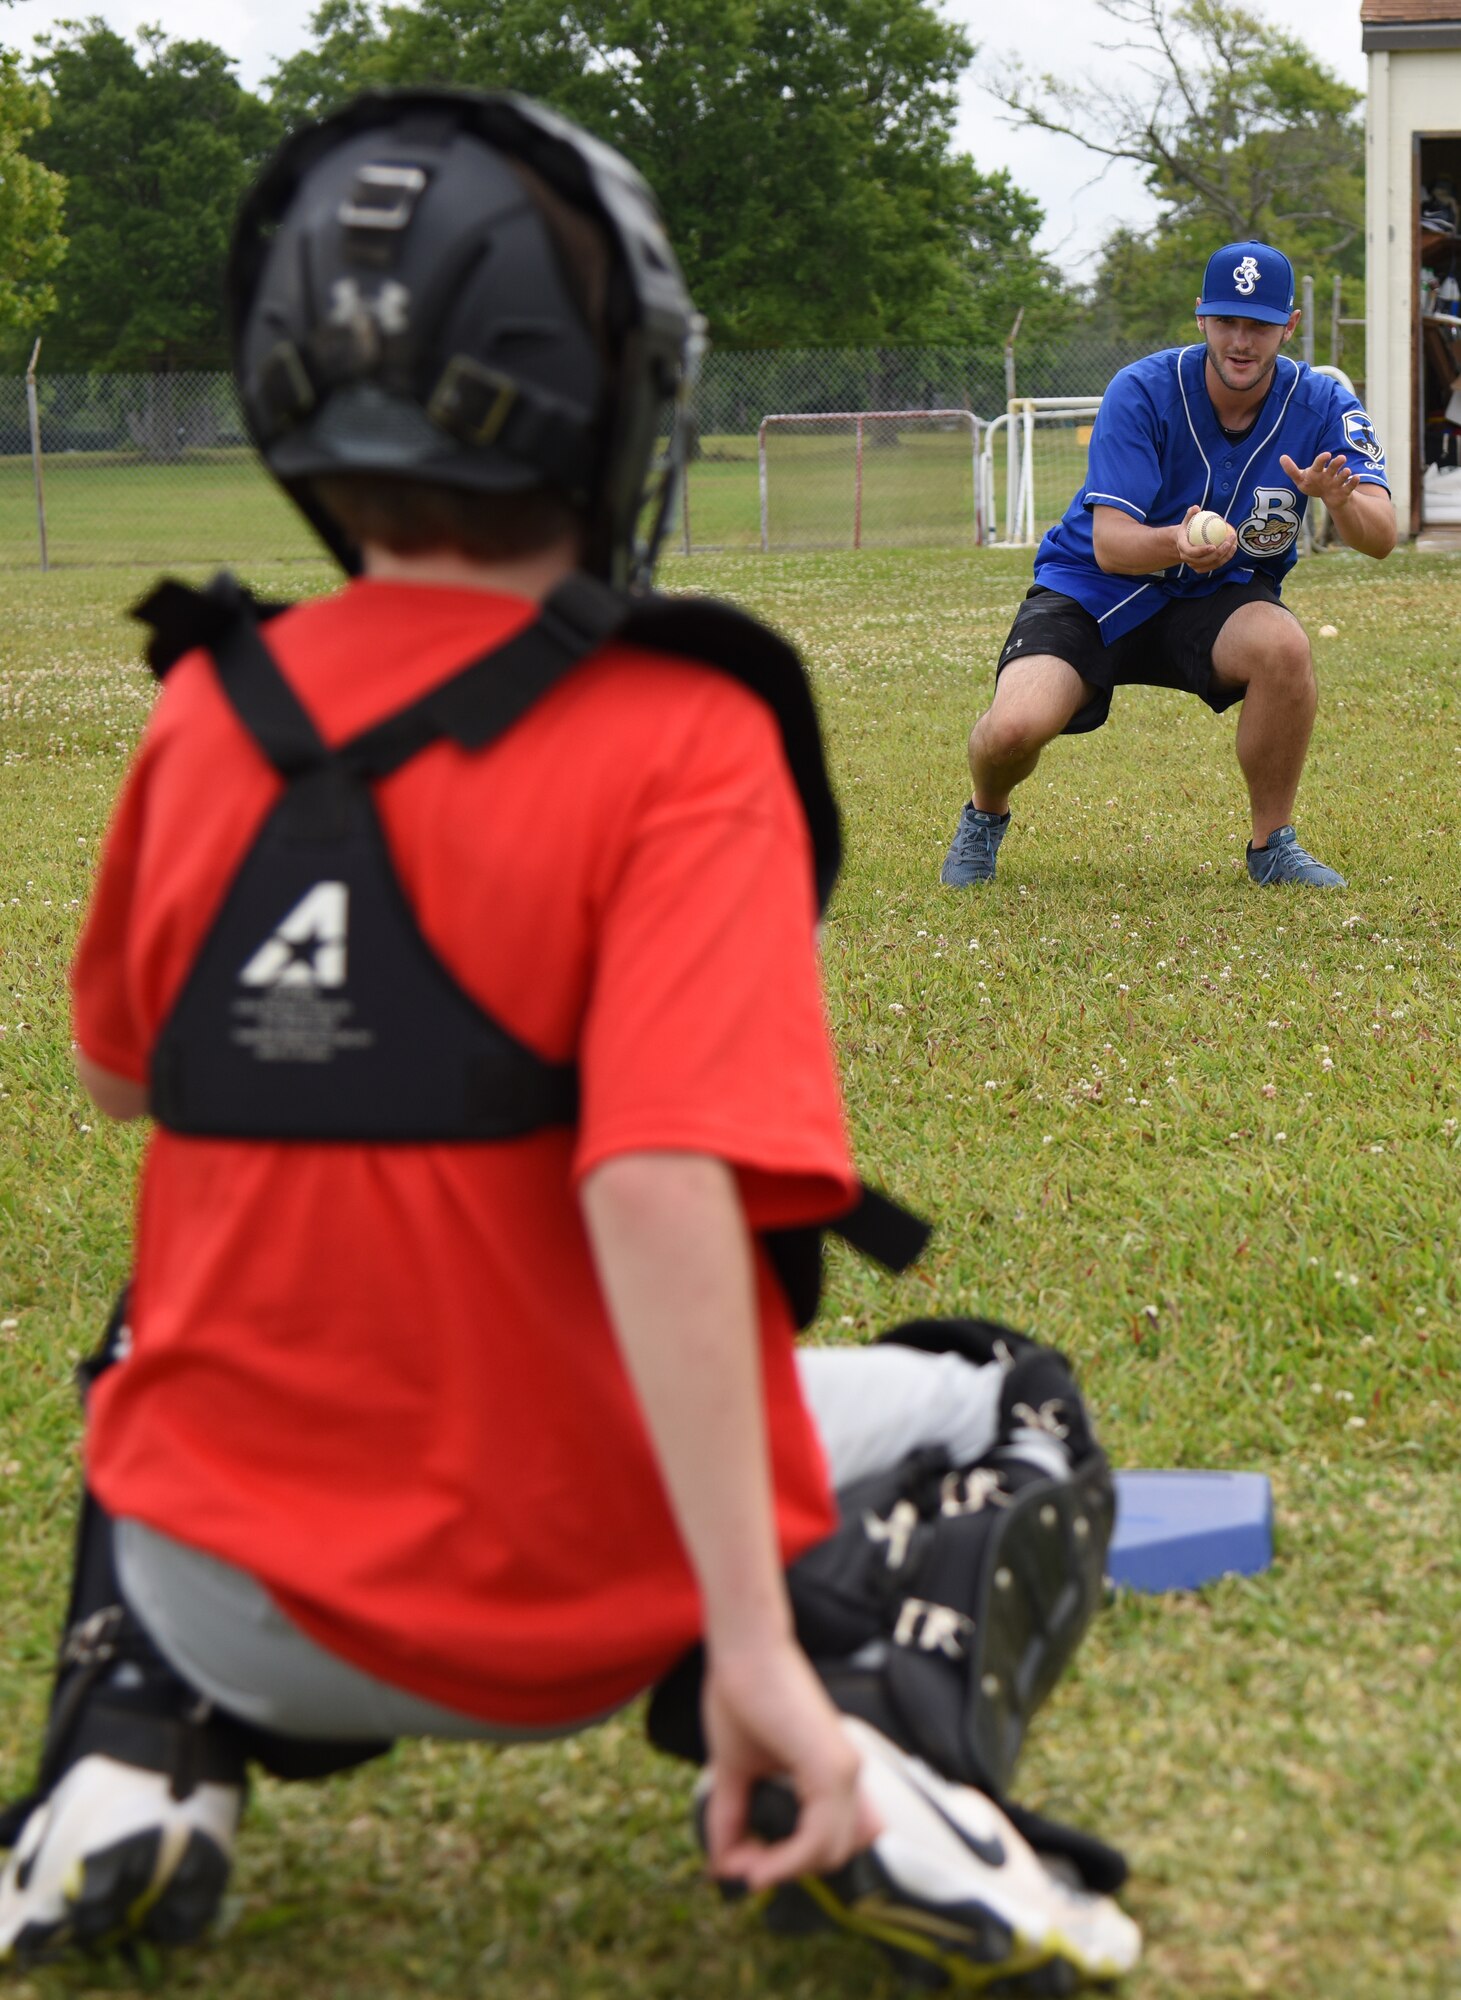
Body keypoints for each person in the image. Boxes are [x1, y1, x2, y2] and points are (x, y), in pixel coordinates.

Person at [0, 91, 1139, 1991]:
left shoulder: (206, 708)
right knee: (1011, 1396)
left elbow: (127, 1076)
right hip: (597, 1604)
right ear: (616, 397)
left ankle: (128, 1751)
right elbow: (657, 1185)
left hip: (223, 1601)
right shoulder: (681, 738)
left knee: (149, 1340)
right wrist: (753, 1645)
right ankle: (880, 1750)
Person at [941, 239, 1396, 890]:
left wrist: (1339, 501)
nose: (1241, 341)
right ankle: (985, 815)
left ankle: (1272, 845)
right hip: (1093, 587)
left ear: (1287, 326)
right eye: (1227, 321)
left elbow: (1379, 537)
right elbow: (1111, 544)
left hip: (1216, 595)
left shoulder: (1322, 405)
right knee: (1011, 730)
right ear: (1200, 318)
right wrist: (1176, 544)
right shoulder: (1143, 390)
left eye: (1259, 325)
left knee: (1282, 646)